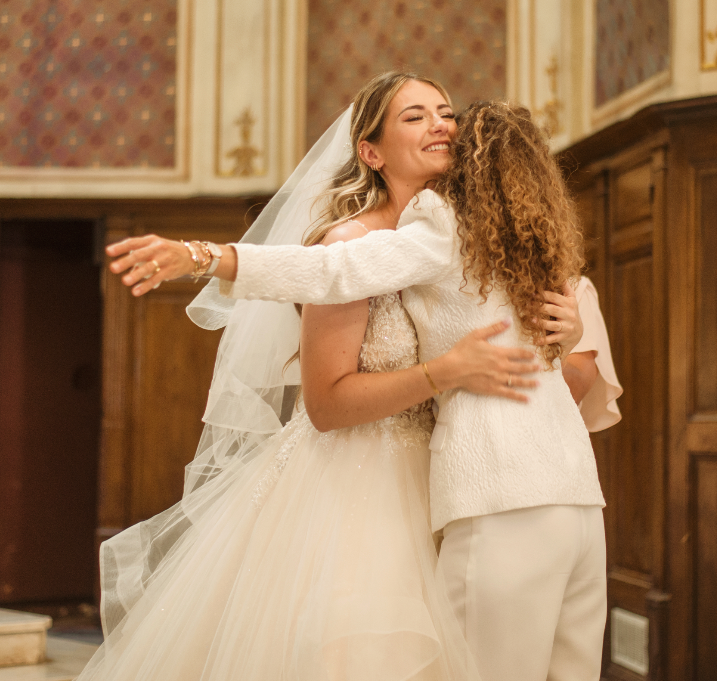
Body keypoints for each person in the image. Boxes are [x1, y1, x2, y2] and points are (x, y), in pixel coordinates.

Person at [85, 73, 582, 681]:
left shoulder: (474, 227)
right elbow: (326, 369)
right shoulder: (354, 239)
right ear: (370, 152)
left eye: (446, 113)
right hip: (357, 486)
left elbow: (519, 321)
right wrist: (203, 255)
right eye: (414, 116)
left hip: (452, 475)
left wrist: (568, 326)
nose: (440, 125)